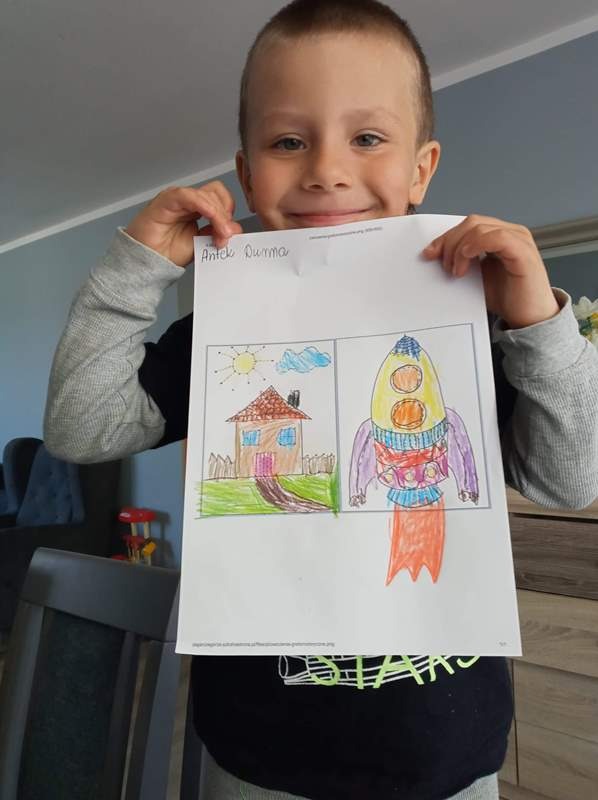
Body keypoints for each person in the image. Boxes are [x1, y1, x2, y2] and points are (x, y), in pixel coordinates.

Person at [44, 1, 598, 798]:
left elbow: (569, 482)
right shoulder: (217, 332)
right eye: (288, 142)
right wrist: (135, 267)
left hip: (448, 755)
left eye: (367, 137)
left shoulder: (476, 323)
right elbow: (80, 429)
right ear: (247, 174)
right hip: (257, 755)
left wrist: (539, 324)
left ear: (421, 168)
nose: (326, 171)